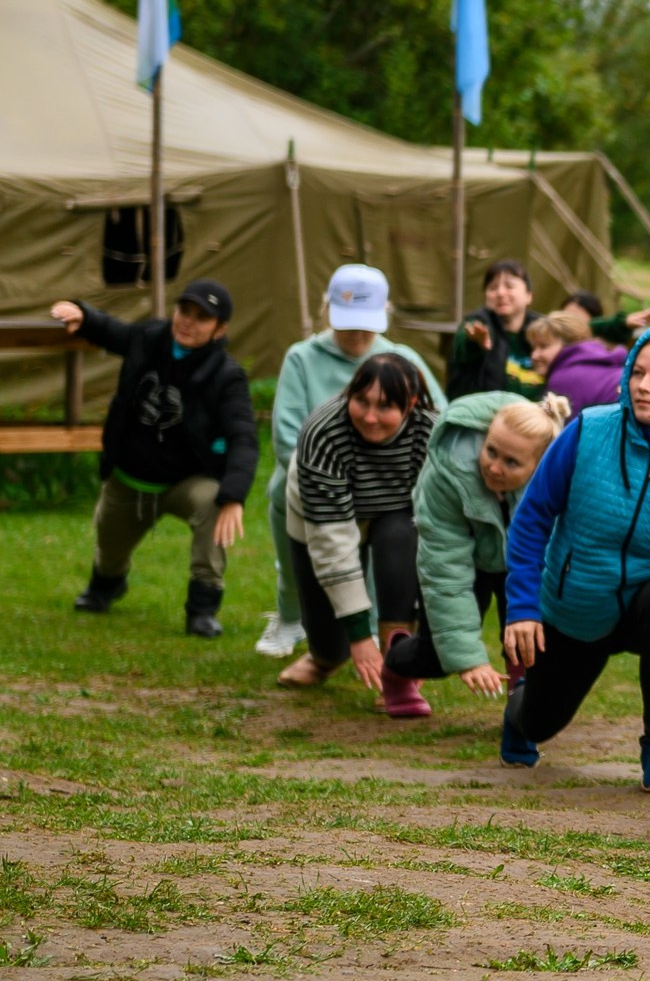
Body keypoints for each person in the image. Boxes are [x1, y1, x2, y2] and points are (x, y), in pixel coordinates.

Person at [502, 324, 650, 791]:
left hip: (648, 602)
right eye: (637, 372)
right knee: (538, 724)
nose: (643, 385)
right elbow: (532, 518)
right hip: (575, 604)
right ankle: (519, 706)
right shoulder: (587, 431)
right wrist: (522, 607)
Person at [53, 280, 257, 639]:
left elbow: (244, 437)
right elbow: (113, 331)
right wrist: (83, 314)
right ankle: (107, 585)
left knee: (214, 503)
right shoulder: (149, 338)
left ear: (220, 329)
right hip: (131, 476)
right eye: (184, 311)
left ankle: (202, 610)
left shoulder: (227, 376)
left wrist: (235, 495)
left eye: (201, 318)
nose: (188, 322)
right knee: (109, 545)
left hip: (187, 481)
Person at [257, 266, 443, 658]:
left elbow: (436, 418)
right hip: (309, 483)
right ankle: (290, 620)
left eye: (366, 326)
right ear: (327, 312)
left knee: (384, 559)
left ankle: (374, 633)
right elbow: (287, 435)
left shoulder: (400, 358)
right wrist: (333, 482)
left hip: (385, 487)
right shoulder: (302, 357)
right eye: (348, 325)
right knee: (300, 568)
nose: (358, 336)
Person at [382, 392, 565, 745]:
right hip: (462, 559)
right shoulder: (447, 474)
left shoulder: (555, 478)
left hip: (521, 560)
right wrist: (467, 658)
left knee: (529, 639)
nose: (494, 467)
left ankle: (522, 712)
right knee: (437, 656)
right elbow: (445, 569)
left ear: (538, 466)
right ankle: (396, 662)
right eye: (491, 451)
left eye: (511, 463)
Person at [277, 354, 438, 713]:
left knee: (401, 536)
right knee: (332, 642)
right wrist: (358, 635)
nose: (369, 416)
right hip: (322, 520)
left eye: (385, 407)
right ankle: (323, 658)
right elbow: (331, 543)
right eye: (361, 401)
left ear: (410, 404)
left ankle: (398, 667)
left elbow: (437, 527)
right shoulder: (323, 431)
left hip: (393, 512)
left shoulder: (429, 432)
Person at [446, 259, 545, 398]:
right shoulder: (479, 322)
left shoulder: (544, 330)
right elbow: (464, 343)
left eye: (509, 286)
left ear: (529, 296)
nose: (500, 293)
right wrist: (474, 343)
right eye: (493, 288)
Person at [528, 310, 628, 411]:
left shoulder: (563, 379)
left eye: (543, 346)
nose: (534, 355)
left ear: (569, 344)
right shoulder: (604, 366)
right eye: (533, 348)